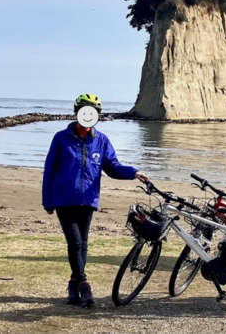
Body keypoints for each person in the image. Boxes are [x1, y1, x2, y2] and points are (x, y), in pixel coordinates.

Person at [42, 93, 149, 307]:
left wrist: (133, 172)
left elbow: (112, 167)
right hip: (64, 199)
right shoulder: (61, 139)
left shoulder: (101, 141)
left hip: (88, 200)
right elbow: (49, 170)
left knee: (83, 244)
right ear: (77, 113)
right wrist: (47, 200)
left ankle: (73, 286)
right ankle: (83, 284)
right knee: (75, 242)